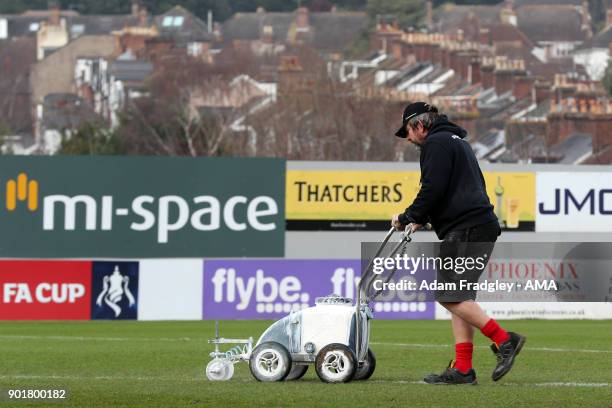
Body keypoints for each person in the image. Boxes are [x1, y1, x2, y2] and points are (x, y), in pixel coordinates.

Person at [391, 102, 526, 385]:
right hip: (479, 225)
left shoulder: (435, 144)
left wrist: (408, 216)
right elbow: (456, 189)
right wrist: (424, 219)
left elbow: (432, 188)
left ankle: (505, 340)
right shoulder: (456, 142)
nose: (409, 139)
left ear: (419, 124)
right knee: (461, 297)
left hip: (466, 229)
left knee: (448, 295)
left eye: (408, 132)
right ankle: (463, 369)